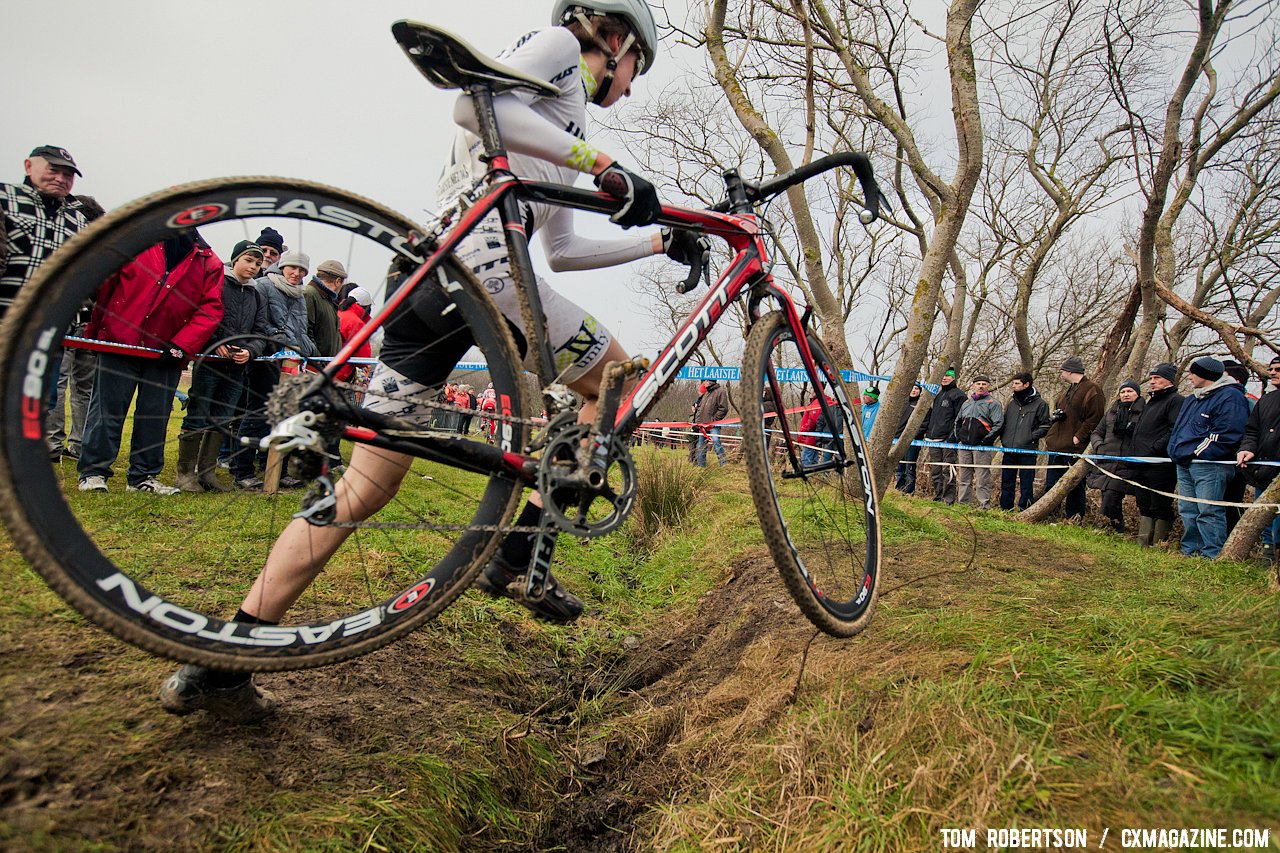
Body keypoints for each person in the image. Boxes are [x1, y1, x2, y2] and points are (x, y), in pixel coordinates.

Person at [160, 0, 702, 719]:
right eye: (638, 68)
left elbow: (564, 251)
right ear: (616, 34)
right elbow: (471, 111)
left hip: (431, 281)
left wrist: (657, 242)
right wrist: (604, 166)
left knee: (364, 487)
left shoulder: (563, 117)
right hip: (488, 272)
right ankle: (516, 557)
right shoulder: (559, 50)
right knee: (622, 383)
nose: (631, 86)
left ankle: (227, 651)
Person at [76, 231, 224, 495]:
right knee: (106, 411)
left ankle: (143, 476)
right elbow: (107, 288)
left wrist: (182, 345)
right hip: (120, 342)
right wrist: (98, 332)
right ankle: (94, 472)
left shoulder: (209, 262)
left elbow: (210, 307)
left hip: (166, 353)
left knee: (155, 414)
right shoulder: (136, 244)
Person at [175, 241, 273, 492]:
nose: (253, 267)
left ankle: (207, 473)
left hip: (237, 367)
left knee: (223, 418)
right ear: (235, 260)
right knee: (198, 414)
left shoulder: (256, 294)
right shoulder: (217, 283)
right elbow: (204, 314)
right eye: (249, 260)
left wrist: (250, 351)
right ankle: (185, 473)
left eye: (258, 263)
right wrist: (215, 342)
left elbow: (260, 329)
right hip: (210, 362)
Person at [230, 251, 316, 490]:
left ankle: (277, 469)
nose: (297, 274)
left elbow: (302, 327)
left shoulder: (299, 294)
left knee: (287, 416)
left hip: (293, 360)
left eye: (302, 271)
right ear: (283, 266)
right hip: (266, 359)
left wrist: (308, 347)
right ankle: (242, 470)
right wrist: (279, 338)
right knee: (257, 414)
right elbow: (259, 322)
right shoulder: (264, 286)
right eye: (293, 268)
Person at [1167, 356, 1249, 558]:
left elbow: (1227, 432)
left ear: (1204, 375)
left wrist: (1197, 452)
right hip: (1185, 462)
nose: (1190, 376)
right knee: (1187, 508)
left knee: (1208, 510)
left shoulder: (1230, 397)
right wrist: (1176, 450)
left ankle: (1212, 553)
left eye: (1193, 372)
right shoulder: (1192, 399)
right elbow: (1180, 429)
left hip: (1209, 464)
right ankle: (1190, 550)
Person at [46, 194, 106, 461]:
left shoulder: (67, 240)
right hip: (91, 323)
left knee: (58, 383)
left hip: (71, 319)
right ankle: (78, 444)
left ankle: (53, 445)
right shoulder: (103, 249)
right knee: (84, 387)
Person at [1, 145, 89, 315]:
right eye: (53, 170)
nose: (60, 179)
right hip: (5, 317)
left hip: (47, 327)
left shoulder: (79, 220)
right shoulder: (4, 197)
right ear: (28, 166)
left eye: (68, 175)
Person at [1042, 356, 1104, 521]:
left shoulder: (1092, 389)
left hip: (1074, 447)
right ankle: (1050, 516)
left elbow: (1095, 418)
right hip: (1057, 445)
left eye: (1062, 371)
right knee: (1052, 484)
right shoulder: (1067, 391)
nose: (1061, 374)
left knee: (1074, 487)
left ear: (1069, 371)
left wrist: (1079, 436)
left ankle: (1075, 518)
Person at [1130, 362, 1185, 546]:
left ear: (1168, 380)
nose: (1152, 382)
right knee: (1143, 503)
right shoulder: (1151, 400)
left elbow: (1173, 430)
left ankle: (1159, 543)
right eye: (1151, 378)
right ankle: (1142, 542)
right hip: (1141, 461)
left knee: (1160, 504)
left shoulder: (1175, 400)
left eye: (1157, 378)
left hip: (1160, 464)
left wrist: (1154, 448)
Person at [1087, 380, 1145, 533]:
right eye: (1123, 392)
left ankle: (1101, 526)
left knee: (1112, 493)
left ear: (1137, 394)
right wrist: (1099, 446)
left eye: (1130, 392)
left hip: (1127, 463)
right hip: (1107, 460)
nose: (1126, 395)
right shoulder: (1111, 412)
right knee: (1108, 494)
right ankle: (1117, 529)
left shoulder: (1143, 413)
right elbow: (1096, 433)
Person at [1237, 356, 1280, 562]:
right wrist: (1247, 449)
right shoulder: (1266, 400)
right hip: (1264, 469)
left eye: (1278, 369)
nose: (1272, 372)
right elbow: (1251, 431)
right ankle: (1267, 558)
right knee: (1263, 518)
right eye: (1271, 369)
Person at [998, 371, 1050, 511]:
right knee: (1007, 481)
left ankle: (1024, 508)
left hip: (1027, 449)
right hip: (1009, 448)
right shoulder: (1012, 403)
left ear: (1026, 385)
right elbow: (1005, 422)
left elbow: (1045, 425)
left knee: (1026, 482)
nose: (1013, 386)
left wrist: (1030, 436)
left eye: (1017, 383)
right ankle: (1005, 508)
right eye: (1013, 383)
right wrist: (1004, 439)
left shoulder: (1040, 404)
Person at [951, 375, 1003, 509]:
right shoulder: (967, 403)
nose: (981, 386)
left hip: (981, 447)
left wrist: (987, 440)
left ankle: (984, 506)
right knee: (964, 478)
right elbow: (958, 421)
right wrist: (959, 437)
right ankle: (963, 504)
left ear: (988, 386)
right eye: (978, 383)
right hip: (964, 446)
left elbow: (998, 424)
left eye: (984, 384)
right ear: (973, 386)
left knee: (982, 479)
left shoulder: (993, 403)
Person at [918, 368, 966, 504]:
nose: (944, 378)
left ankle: (948, 499)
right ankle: (938, 497)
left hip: (948, 440)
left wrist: (952, 437)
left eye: (947, 376)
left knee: (947, 469)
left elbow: (960, 418)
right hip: (933, 438)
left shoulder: (959, 395)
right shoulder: (938, 395)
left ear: (953, 378)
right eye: (942, 376)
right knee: (936, 470)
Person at [305, 259, 346, 358]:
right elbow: (306, 331)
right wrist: (318, 360)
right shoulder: (310, 294)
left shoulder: (327, 299)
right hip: (315, 367)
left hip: (325, 367)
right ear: (338, 281)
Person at [893, 382, 922, 493]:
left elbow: (923, 424)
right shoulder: (902, 404)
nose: (913, 390)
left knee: (909, 468)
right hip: (897, 439)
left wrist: (912, 436)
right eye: (912, 388)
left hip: (913, 441)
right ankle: (899, 490)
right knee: (899, 467)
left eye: (916, 389)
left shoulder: (921, 406)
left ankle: (909, 491)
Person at [694, 377, 730, 466]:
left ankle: (724, 464)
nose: (704, 383)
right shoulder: (706, 393)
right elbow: (701, 408)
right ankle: (701, 465)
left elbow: (724, 408)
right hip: (702, 424)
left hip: (713, 425)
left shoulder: (720, 392)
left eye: (705, 381)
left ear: (710, 382)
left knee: (716, 442)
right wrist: (697, 421)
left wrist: (714, 420)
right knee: (701, 445)